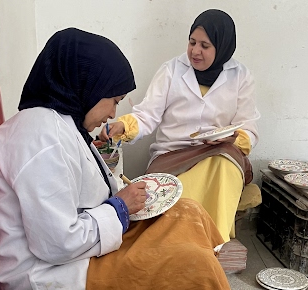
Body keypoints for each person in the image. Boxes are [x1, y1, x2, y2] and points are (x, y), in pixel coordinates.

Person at [0, 27, 236, 290]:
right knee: (192, 267)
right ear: (87, 85)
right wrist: (119, 208)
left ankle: (207, 273)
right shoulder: (39, 137)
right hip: (50, 276)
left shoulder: (63, 122)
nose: (112, 113)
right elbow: (57, 244)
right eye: (114, 100)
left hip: (78, 249)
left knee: (186, 211)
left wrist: (123, 200)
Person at [100, 9, 260, 242]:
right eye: (192, 42)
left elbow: (249, 128)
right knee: (176, 193)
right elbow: (147, 114)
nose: (195, 51)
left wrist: (234, 138)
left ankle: (213, 242)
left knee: (224, 164)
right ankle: (181, 243)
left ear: (222, 47)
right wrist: (123, 127)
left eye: (205, 46)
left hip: (217, 153)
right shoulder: (171, 70)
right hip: (171, 156)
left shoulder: (241, 76)